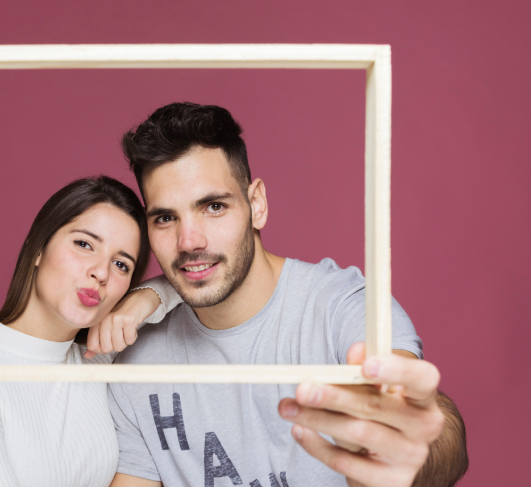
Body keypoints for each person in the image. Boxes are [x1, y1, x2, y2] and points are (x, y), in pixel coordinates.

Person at [84, 103, 468, 487]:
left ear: (257, 204)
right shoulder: (137, 362)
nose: (189, 242)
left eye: (214, 206)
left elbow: (432, 428)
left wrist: (412, 440)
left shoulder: (340, 307)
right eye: (166, 218)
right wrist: (152, 293)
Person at [0, 176, 163, 487]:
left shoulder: (98, 358)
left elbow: (196, 279)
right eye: (84, 244)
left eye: (121, 265)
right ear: (38, 249)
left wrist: (144, 300)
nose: (101, 273)